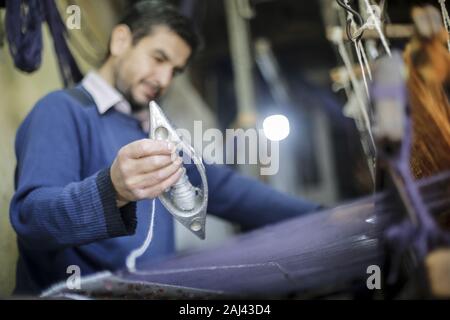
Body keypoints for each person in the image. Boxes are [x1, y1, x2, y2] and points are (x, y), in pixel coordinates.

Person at [9, 1, 320, 295]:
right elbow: (31, 218)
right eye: (158, 59)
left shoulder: (152, 126)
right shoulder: (61, 111)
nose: (164, 79)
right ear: (120, 41)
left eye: (175, 70)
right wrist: (112, 190)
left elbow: (221, 186)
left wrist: (319, 217)